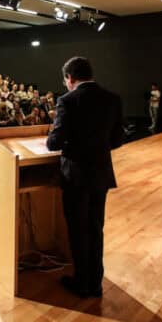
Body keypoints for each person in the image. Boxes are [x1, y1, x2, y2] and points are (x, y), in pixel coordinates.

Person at [46, 56, 124, 298]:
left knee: (78, 231)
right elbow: (118, 140)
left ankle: (82, 284)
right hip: (100, 173)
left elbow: (54, 143)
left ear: (70, 78)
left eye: (65, 80)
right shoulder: (112, 99)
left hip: (76, 176)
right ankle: (96, 284)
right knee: (95, 228)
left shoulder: (67, 100)